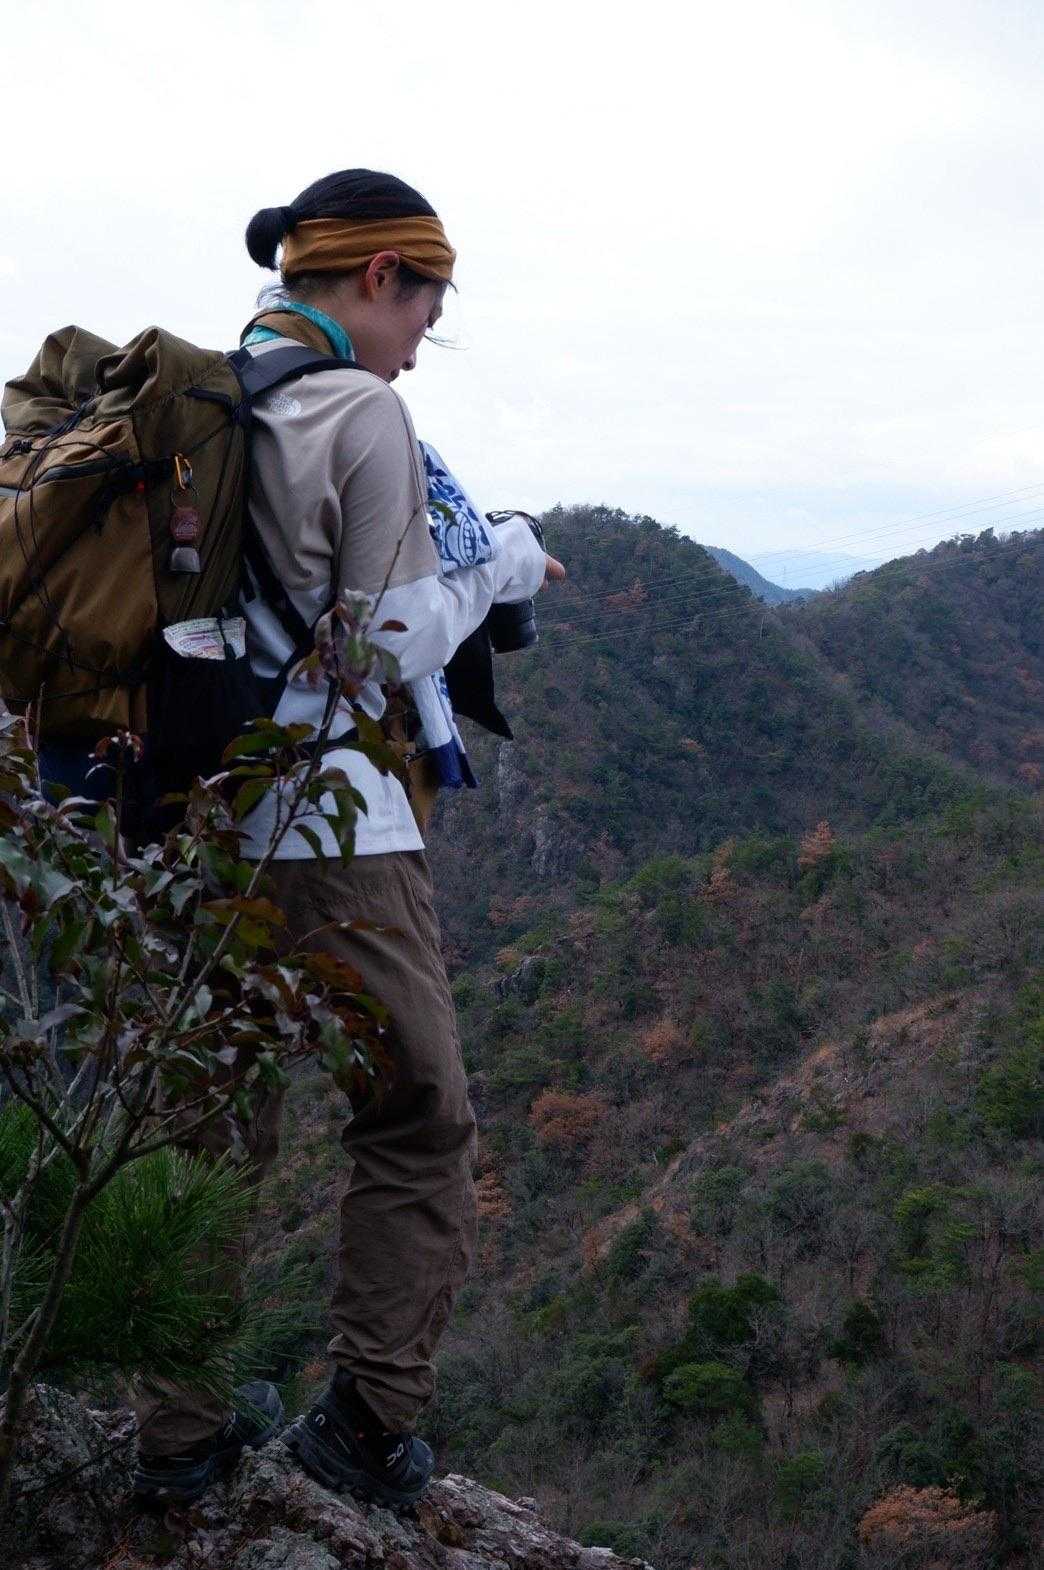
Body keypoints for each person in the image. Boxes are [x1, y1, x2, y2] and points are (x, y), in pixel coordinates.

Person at [131, 169, 564, 1507]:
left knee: (207, 1125)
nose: (423, 342)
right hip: (330, 827)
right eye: (426, 308)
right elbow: (385, 640)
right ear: (379, 275)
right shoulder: (359, 410)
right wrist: (503, 562)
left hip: (185, 820)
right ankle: (368, 1427)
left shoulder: (206, 404)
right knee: (420, 1116)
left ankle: (178, 1442)